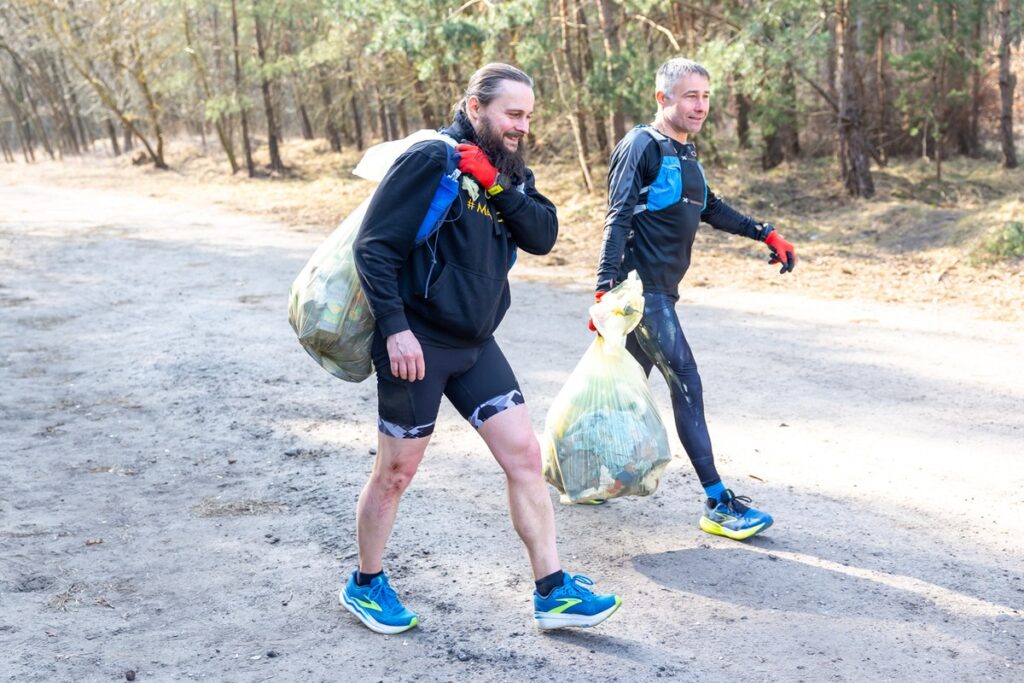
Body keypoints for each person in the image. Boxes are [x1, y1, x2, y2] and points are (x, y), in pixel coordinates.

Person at [345, 63, 621, 634]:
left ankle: (552, 591)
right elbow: (373, 247)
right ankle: (365, 584)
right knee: (396, 472)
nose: (522, 126)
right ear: (476, 109)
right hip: (416, 343)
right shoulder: (431, 159)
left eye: (527, 116)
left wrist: (497, 183)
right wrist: (395, 328)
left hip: (476, 344)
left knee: (524, 456)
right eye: (512, 114)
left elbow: (543, 236)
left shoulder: (511, 170)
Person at [591, 57, 797, 540]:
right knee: (685, 379)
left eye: (705, 96)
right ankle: (717, 502)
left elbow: (710, 208)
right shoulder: (641, 145)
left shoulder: (684, 153)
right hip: (640, 292)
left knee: (623, 390)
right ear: (663, 98)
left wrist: (765, 233)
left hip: (663, 290)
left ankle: (588, 475)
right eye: (690, 95)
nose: (700, 105)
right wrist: (603, 290)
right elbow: (617, 216)